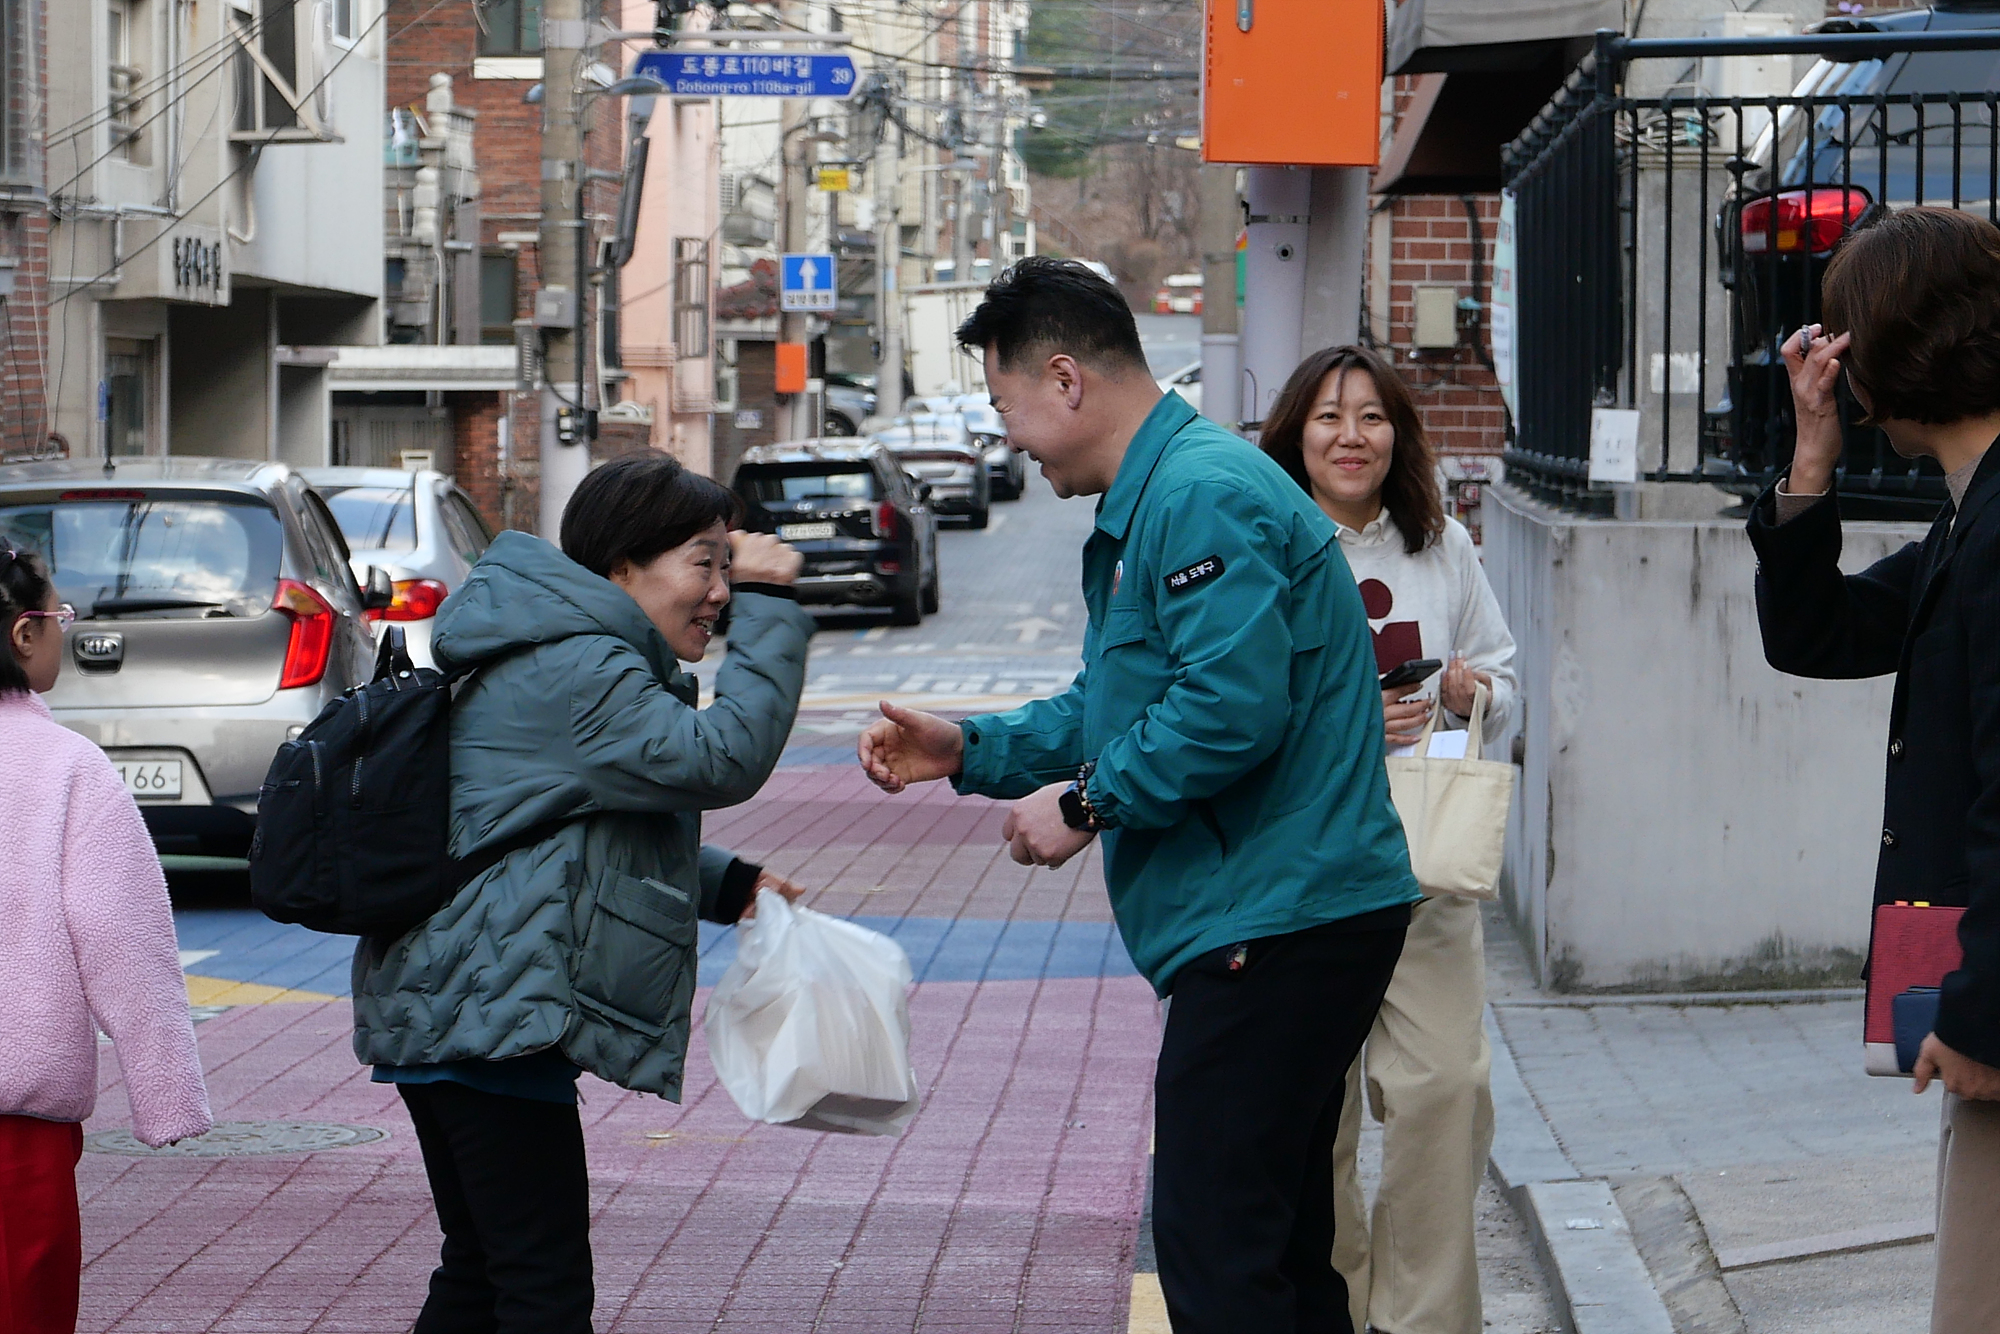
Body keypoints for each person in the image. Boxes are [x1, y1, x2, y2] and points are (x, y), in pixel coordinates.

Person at [857, 257, 1421, 1334]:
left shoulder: (1198, 494)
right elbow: (1118, 702)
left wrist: (1082, 807)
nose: (1009, 437)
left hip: (1273, 918)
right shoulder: (1166, 495)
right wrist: (968, 748)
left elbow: (1228, 707)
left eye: (1005, 405)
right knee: (1274, 1248)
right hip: (1279, 914)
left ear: (1065, 379)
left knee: (1218, 1253)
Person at [352, 453, 814, 1334]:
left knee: (487, 1271)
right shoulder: (583, 665)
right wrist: (773, 606)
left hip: (462, 1004)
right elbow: (722, 758)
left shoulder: (553, 650)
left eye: (730, 568)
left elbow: (558, 822)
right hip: (492, 1015)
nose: (721, 592)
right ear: (623, 567)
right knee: (542, 1289)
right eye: (706, 563)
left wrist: (729, 883)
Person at [1747, 206, 2000, 1334]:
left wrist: (1982, 1013)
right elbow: (1818, 633)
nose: (1836, 371)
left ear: (1894, 350)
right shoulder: (1968, 517)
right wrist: (1810, 458)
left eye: (1848, 340)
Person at [1258, 345, 1517, 1334]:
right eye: (1327, 416)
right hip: (1302, 870)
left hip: (1421, 864)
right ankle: (1339, 1307)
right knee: (1312, 1118)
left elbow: (1502, 679)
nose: (1350, 436)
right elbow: (1229, 703)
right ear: (1294, 434)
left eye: (1370, 416)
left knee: (1446, 1090)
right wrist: (1344, 721)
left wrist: (1467, 696)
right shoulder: (1264, 545)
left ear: (1398, 434)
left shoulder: (1441, 546)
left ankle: (1424, 1319)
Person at [0, 547, 212, 1334]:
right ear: (25, 634)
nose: (65, 630)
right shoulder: (66, 769)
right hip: (18, 1124)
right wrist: (167, 1096)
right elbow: (126, 941)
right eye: (60, 616)